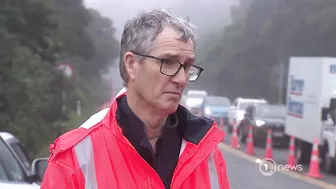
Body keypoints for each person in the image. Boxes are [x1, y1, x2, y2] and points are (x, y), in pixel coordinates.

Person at [40, 9, 230, 189]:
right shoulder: (76, 155)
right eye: (168, 62)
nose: (181, 79)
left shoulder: (206, 153)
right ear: (131, 65)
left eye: (187, 67)